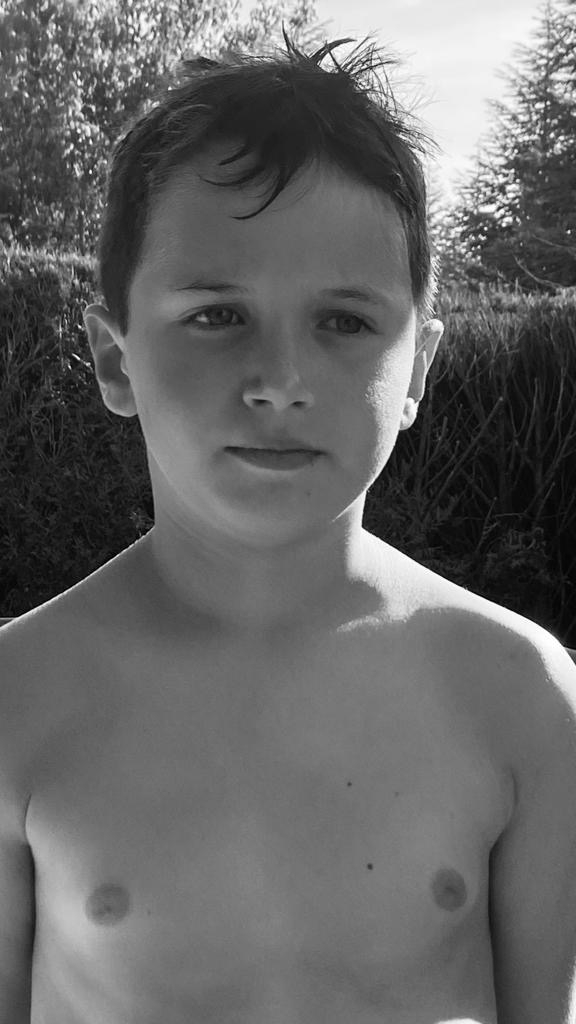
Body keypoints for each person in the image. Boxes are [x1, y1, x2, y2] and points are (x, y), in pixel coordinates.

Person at [1, 27, 575, 1024]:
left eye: (344, 322)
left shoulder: (521, 695)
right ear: (114, 358)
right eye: (217, 315)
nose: (279, 381)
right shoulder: (18, 700)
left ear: (419, 370)